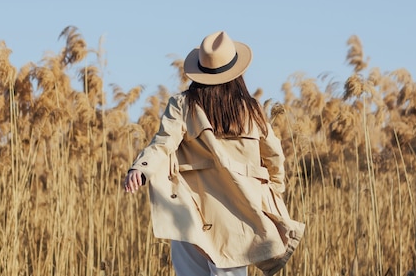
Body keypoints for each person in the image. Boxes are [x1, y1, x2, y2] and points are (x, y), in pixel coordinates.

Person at [124, 31, 305, 276]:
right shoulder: (251, 111)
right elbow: (274, 158)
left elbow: (163, 143)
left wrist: (140, 168)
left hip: (192, 211)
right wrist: (271, 195)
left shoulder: (183, 104)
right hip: (239, 210)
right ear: (237, 72)